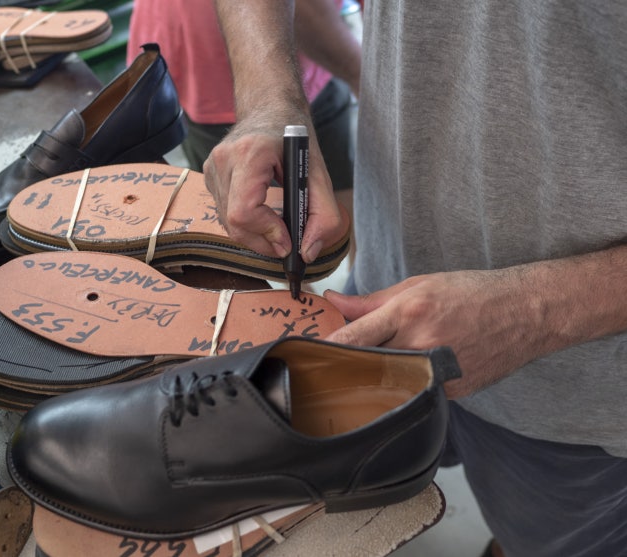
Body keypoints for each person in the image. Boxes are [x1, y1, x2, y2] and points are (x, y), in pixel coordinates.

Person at [203, 2, 627, 557]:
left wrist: (532, 311)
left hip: (575, 392)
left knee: (539, 540)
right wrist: (269, 102)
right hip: (380, 293)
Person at [127, 0, 361, 264]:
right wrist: (357, 72)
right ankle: (294, 282)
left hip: (316, 60)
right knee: (251, 213)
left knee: (333, 205)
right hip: (203, 62)